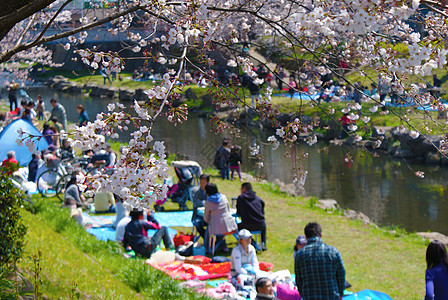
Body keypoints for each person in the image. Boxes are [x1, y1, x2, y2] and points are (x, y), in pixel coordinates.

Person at [295, 222, 346, 300]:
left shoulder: (299, 255)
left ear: (306, 236)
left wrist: (304, 295)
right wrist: (340, 294)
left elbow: (299, 280)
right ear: (321, 235)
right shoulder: (333, 251)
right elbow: (341, 275)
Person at [204, 183, 237, 252]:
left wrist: (209, 220)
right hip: (230, 225)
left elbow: (206, 217)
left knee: (208, 230)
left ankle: (207, 249)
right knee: (219, 228)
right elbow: (228, 210)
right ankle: (223, 246)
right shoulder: (223, 197)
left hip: (216, 228)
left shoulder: (208, 202)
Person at [236, 183, 267, 250]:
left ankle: (253, 244)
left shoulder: (241, 198)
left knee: (237, 227)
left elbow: (238, 213)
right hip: (260, 225)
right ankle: (263, 244)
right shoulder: (258, 199)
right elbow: (262, 212)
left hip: (246, 225)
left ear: (243, 189)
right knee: (263, 224)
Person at [191, 174, 210, 240]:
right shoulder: (195, 191)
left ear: (208, 183)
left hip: (210, 215)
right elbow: (196, 203)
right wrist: (207, 202)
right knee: (197, 223)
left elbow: (212, 202)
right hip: (198, 215)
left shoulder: (211, 190)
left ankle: (220, 242)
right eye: (200, 182)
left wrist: (202, 202)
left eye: (203, 183)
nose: (201, 184)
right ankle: (207, 239)